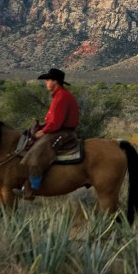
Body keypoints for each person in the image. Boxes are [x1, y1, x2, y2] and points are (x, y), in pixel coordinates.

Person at [17, 68, 80, 200]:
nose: (46, 83)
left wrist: (43, 131)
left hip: (63, 132)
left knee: (38, 150)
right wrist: (41, 127)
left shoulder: (61, 97)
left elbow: (56, 123)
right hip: (59, 129)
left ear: (55, 81)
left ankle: (33, 187)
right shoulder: (59, 95)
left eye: (48, 80)